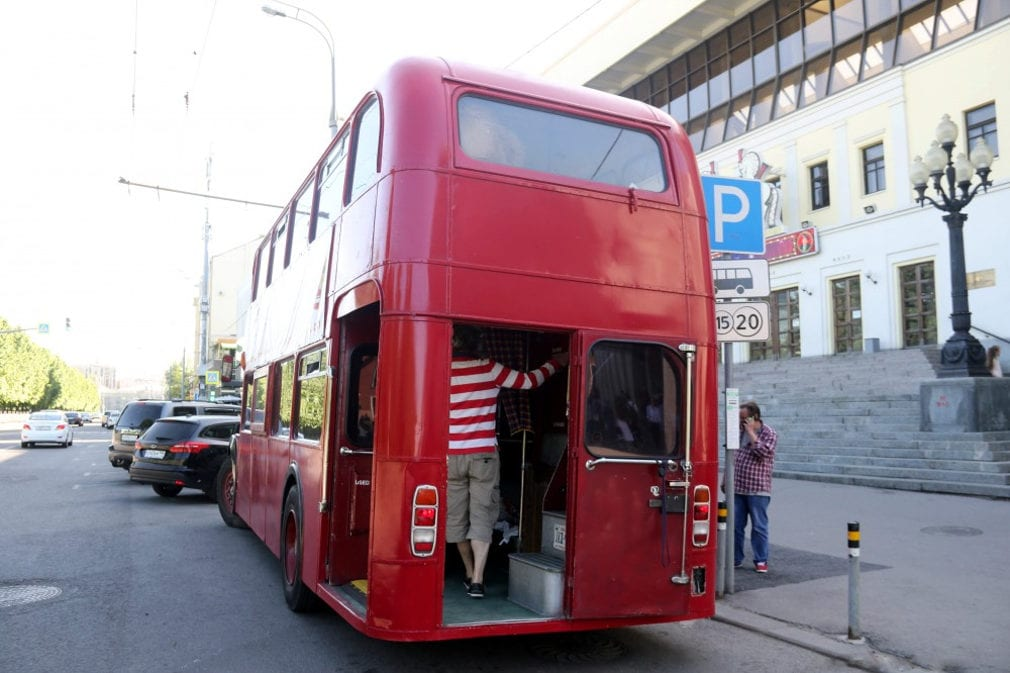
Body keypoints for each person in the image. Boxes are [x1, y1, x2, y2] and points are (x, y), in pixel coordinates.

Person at [447, 325, 568, 598]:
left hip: (449, 455)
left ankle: (468, 571)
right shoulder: (489, 368)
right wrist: (555, 363)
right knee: (481, 516)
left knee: (454, 519)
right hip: (483, 456)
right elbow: (529, 382)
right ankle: (477, 579)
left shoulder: (440, 370)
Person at [733, 400, 778, 573]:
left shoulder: (768, 433)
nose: (740, 423)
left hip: (758, 488)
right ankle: (736, 558)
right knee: (736, 526)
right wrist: (726, 480)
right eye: (739, 419)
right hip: (738, 486)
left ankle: (761, 560)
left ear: (755, 417)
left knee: (759, 526)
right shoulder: (738, 433)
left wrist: (751, 432)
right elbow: (734, 456)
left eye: (743, 419)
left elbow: (763, 452)